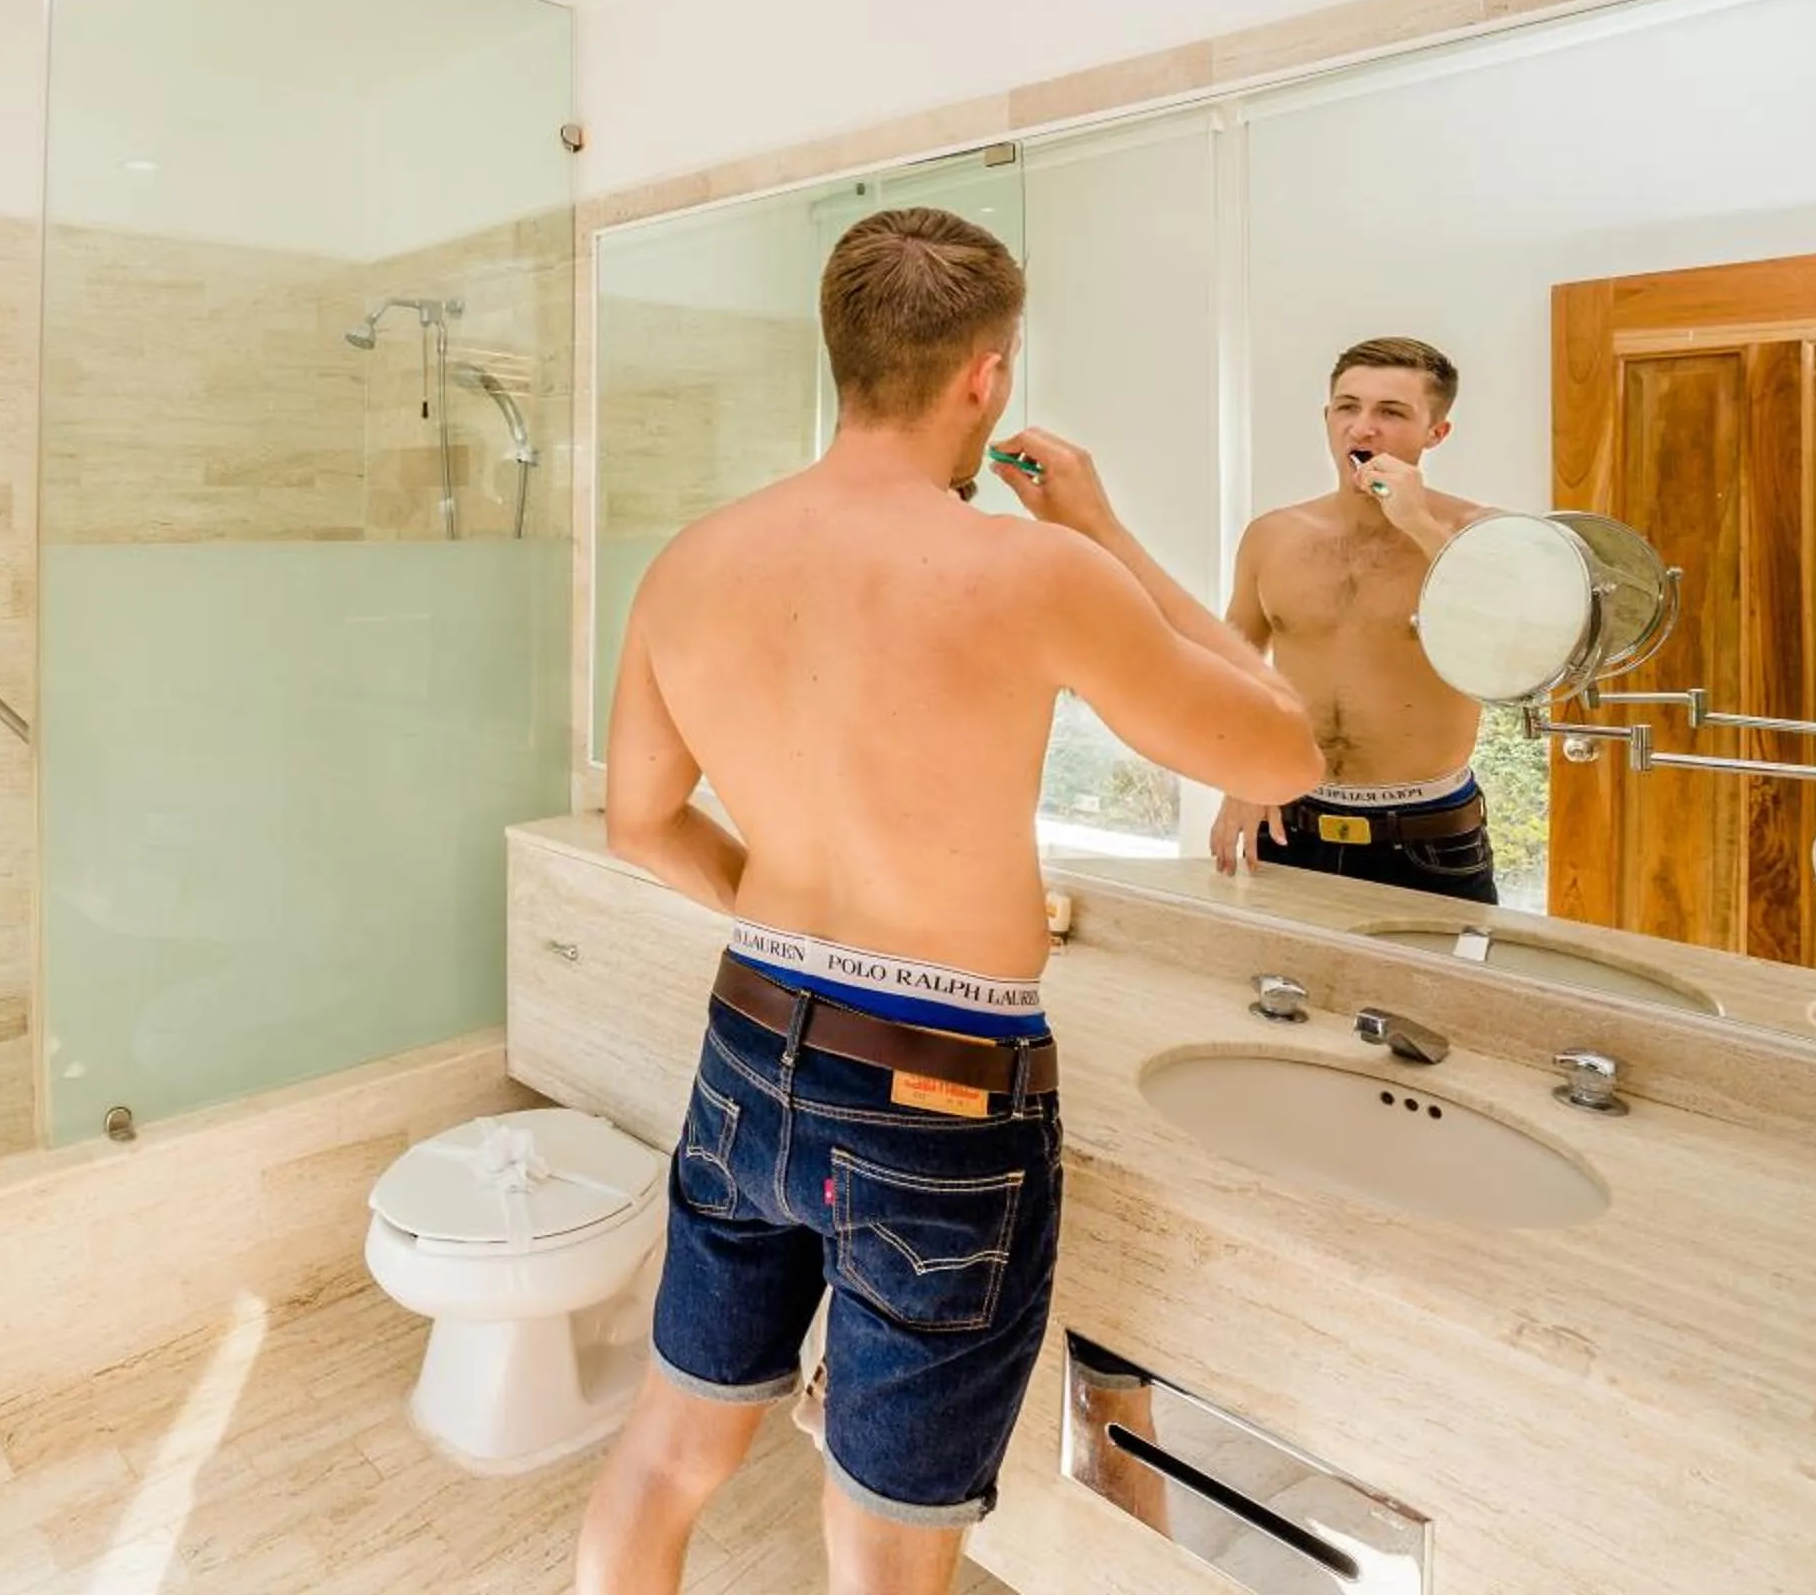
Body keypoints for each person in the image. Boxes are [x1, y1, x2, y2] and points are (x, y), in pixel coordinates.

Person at [573, 208, 1322, 1595]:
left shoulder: (693, 562)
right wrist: (1100, 526)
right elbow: (1288, 745)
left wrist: (798, 935)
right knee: (882, 1542)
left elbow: (640, 821)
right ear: (985, 374)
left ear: (844, 353)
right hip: (940, 1094)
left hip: (747, 1050)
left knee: (671, 1455)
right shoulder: (1036, 570)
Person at [1210, 339, 1500, 903]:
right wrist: (1241, 773)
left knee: (1437, 995)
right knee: (1273, 991)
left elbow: (1511, 647)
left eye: (1391, 413)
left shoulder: (1478, 536)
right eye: (1347, 407)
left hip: (1427, 837)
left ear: (1435, 433)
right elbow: (1232, 666)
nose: (1362, 428)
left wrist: (1418, 523)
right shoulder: (1272, 537)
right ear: (1327, 418)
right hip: (1288, 824)